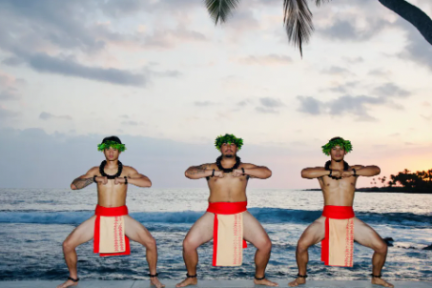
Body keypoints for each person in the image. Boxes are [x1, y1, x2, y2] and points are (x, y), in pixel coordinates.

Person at [57, 136, 164, 288]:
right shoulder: (95, 171)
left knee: (150, 243)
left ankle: (153, 277)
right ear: (103, 150)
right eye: (108, 148)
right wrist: (94, 179)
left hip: (121, 215)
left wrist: (126, 180)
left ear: (120, 150)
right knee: (68, 245)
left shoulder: (128, 170)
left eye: (115, 148)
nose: (111, 152)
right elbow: (74, 185)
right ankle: (73, 278)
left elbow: (147, 183)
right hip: (100, 215)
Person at [288, 137, 393, 288]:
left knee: (381, 247)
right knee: (302, 245)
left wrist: (351, 172)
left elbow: (375, 169)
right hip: (327, 218)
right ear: (329, 151)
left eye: (340, 149)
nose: (337, 152)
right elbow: (304, 173)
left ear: (345, 151)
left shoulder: (354, 170)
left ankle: (376, 277)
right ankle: (301, 278)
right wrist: (330, 171)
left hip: (349, 218)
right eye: (334, 149)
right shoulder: (322, 172)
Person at [176, 134, 278, 287]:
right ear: (220, 148)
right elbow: (189, 172)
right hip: (214, 213)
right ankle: (191, 277)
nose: (229, 147)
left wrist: (243, 170)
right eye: (225, 144)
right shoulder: (210, 167)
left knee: (265, 245)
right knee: (188, 244)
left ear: (237, 148)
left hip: (240, 212)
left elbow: (266, 172)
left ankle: (259, 277)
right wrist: (211, 173)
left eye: (232, 144)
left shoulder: (247, 167)